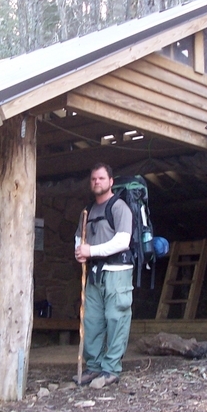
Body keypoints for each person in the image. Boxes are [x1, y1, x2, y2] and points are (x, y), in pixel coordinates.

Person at [73, 163, 134, 388]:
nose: (96, 182)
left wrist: (91, 251)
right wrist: (79, 251)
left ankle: (111, 369)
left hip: (117, 272)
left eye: (101, 178)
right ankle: (94, 367)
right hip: (95, 274)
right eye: (93, 179)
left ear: (111, 182)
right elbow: (80, 237)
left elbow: (123, 241)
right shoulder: (87, 211)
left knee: (116, 318)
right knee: (92, 320)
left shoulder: (119, 208)